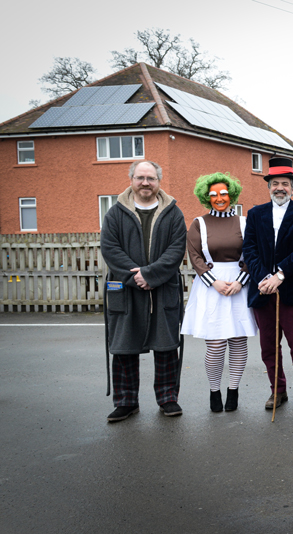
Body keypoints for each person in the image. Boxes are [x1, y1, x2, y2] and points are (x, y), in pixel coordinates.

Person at [101, 160, 187, 422]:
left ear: (158, 181)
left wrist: (151, 275)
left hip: (163, 288)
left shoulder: (173, 213)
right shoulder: (115, 213)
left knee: (166, 345)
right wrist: (136, 277)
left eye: (151, 178)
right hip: (126, 290)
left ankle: (167, 398)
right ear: (131, 180)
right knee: (124, 345)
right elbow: (110, 249)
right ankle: (126, 402)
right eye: (140, 178)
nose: (145, 183)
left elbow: (176, 250)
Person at [242, 157, 293, 411]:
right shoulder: (255, 214)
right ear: (269, 187)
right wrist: (264, 277)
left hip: (292, 290)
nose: (280, 188)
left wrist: (280, 275)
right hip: (263, 291)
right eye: (275, 183)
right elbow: (249, 249)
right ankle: (278, 390)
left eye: (285, 184)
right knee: (269, 347)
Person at [181, 172, 257, 413]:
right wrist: (213, 282)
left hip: (239, 285)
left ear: (231, 195)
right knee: (215, 344)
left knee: (238, 341)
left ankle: (233, 391)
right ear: (207, 197)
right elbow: (194, 256)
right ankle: (214, 390)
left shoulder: (245, 222)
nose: (219, 198)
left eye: (224, 193)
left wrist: (241, 281)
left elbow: (253, 254)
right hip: (210, 287)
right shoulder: (198, 223)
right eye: (213, 194)